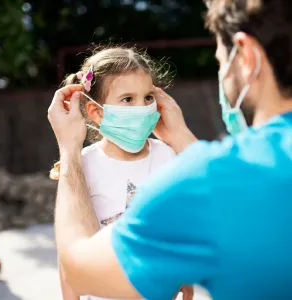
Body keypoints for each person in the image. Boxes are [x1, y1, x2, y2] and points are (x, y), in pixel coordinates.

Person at [48, 0, 292, 299]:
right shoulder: (223, 175)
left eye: (220, 60)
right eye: (128, 99)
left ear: (246, 57)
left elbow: (78, 266)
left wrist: (68, 149)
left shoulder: (206, 176)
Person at [50, 48, 194, 300]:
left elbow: (179, 227)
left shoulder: (169, 155)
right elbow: (68, 250)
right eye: (128, 99)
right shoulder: (81, 167)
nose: (142, 107)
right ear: (97, 112)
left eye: (148, 97)